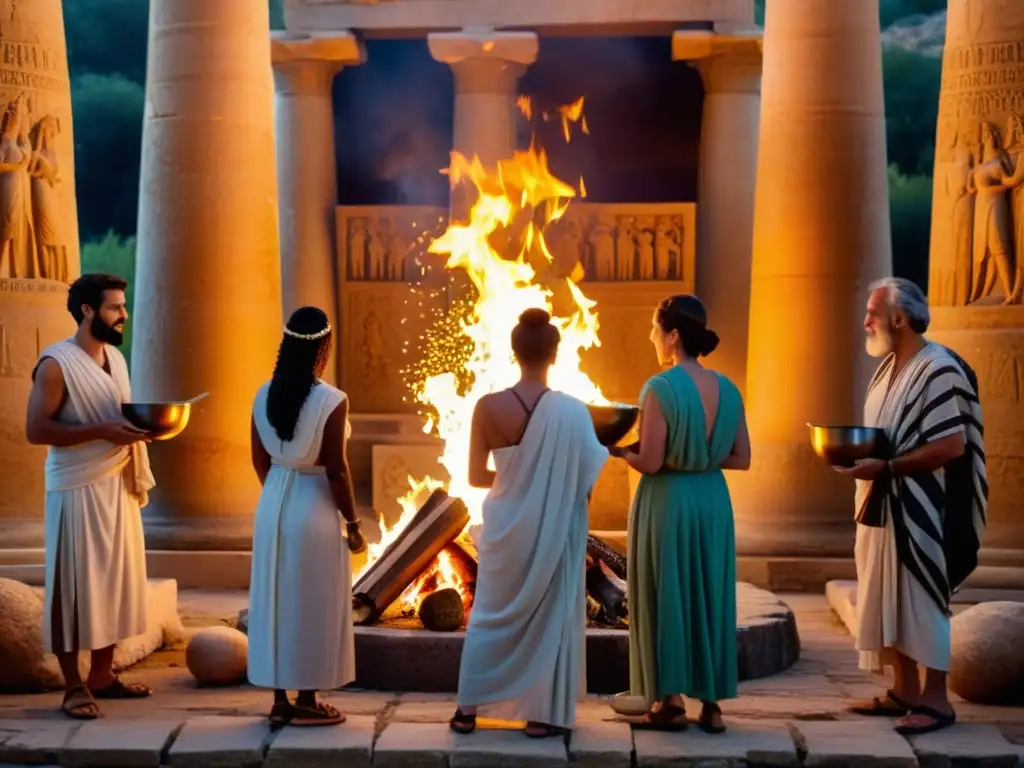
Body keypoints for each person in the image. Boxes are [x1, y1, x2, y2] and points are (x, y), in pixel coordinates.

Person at [836, 277, 986, 736]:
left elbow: (952, 445)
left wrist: (887, 468)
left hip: (924, 509)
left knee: (922, 600)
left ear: (898, 318)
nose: (865, 322)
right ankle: (904, 689)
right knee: (889, 597)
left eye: (873, 313)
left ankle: (937, 701)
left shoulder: (938, 368)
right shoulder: (888, 369)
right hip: (882, 504)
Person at [449, 308, 609, 739]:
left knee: (489, 615)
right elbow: (583, 483)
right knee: (548, 617)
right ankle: (541, 715)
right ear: (555, 354)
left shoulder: (487, 407)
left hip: (505, 527)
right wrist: (543, 483)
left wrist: (518, 475)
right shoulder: (575, 413)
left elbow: (476, 477)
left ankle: (467, 709)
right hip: (553, 529)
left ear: (513, 353)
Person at [609, 294, 750, 734]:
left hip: (668, 502)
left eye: (655, 329)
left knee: (666, 592)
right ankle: (712, 705)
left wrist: (617, 449)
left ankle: (669, 703)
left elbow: (650, 461)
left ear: (672, 336)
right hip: (711, 500)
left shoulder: (660, 387)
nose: (652, 337)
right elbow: (741, 457)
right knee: (709, 593)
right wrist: (700, 457)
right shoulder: (728, 388)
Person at [25, 273, 156, 720]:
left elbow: (116, 414)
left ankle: (102, 675)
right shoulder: (55, 364)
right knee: (74, 585)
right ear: (87, 311)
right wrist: (101, 431)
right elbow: (36, 429)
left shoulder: (116, 359)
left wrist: (142, 431)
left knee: (114, 580)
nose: (124, 314)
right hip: (75, 484)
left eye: (123, 306)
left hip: (117, 479)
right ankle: (73, 685)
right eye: (115, 307)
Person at [246, 306, 367, 726]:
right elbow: (336, 468)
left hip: (274, 500)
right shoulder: (332, 400)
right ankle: (308, 700)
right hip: (314, 505)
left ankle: (280, 700)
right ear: (324, 346)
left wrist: (280, 494)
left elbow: (259, 459)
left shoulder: (263, 394)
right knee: (312, 601)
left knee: (276, 599)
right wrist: (353, 524)